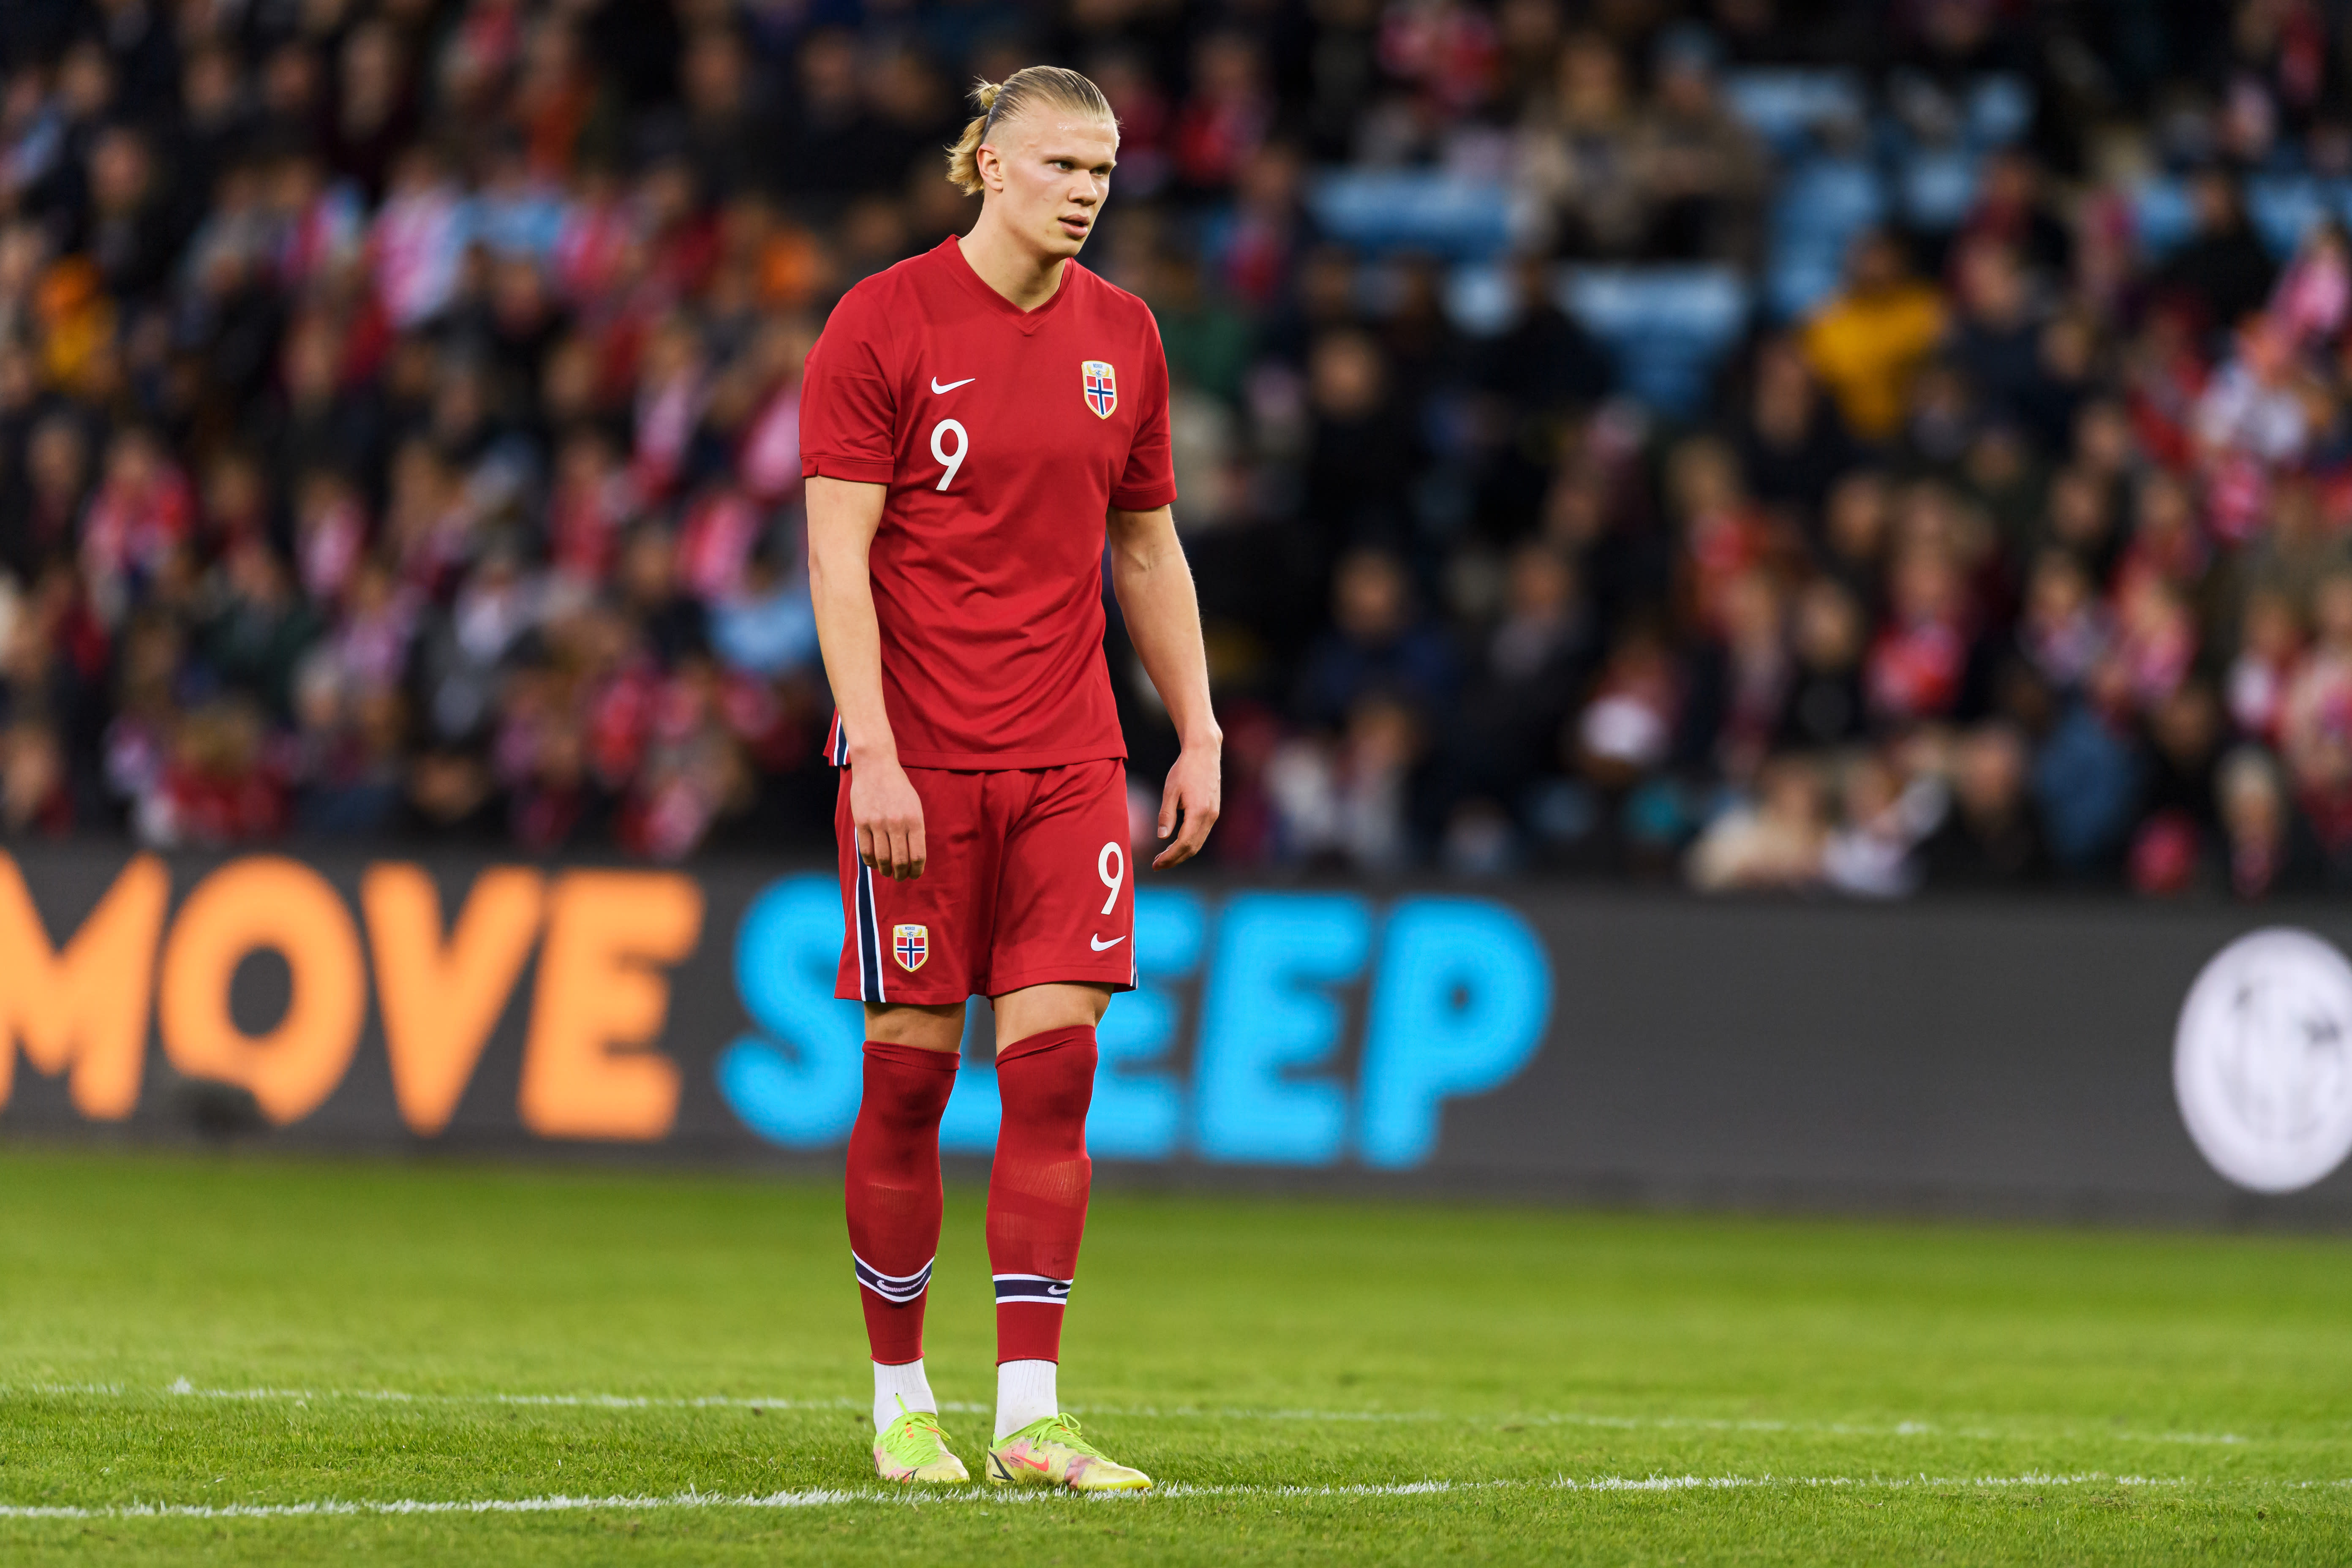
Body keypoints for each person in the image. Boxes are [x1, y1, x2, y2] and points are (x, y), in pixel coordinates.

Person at [800, 67, 1220, 1492]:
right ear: (988, 164)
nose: (1088, 191)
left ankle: (1031, 1415)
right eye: (1060, 165)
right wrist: (871, 749)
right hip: (918, 764)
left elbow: (1146, 548)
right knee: (909, 1083)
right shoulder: (883, 322)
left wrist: (1199, 728)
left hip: (1069, 759)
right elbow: (838, 555)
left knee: (1056, 1081)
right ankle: (900, 1400)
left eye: (1103, 169)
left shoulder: (1126, 336)